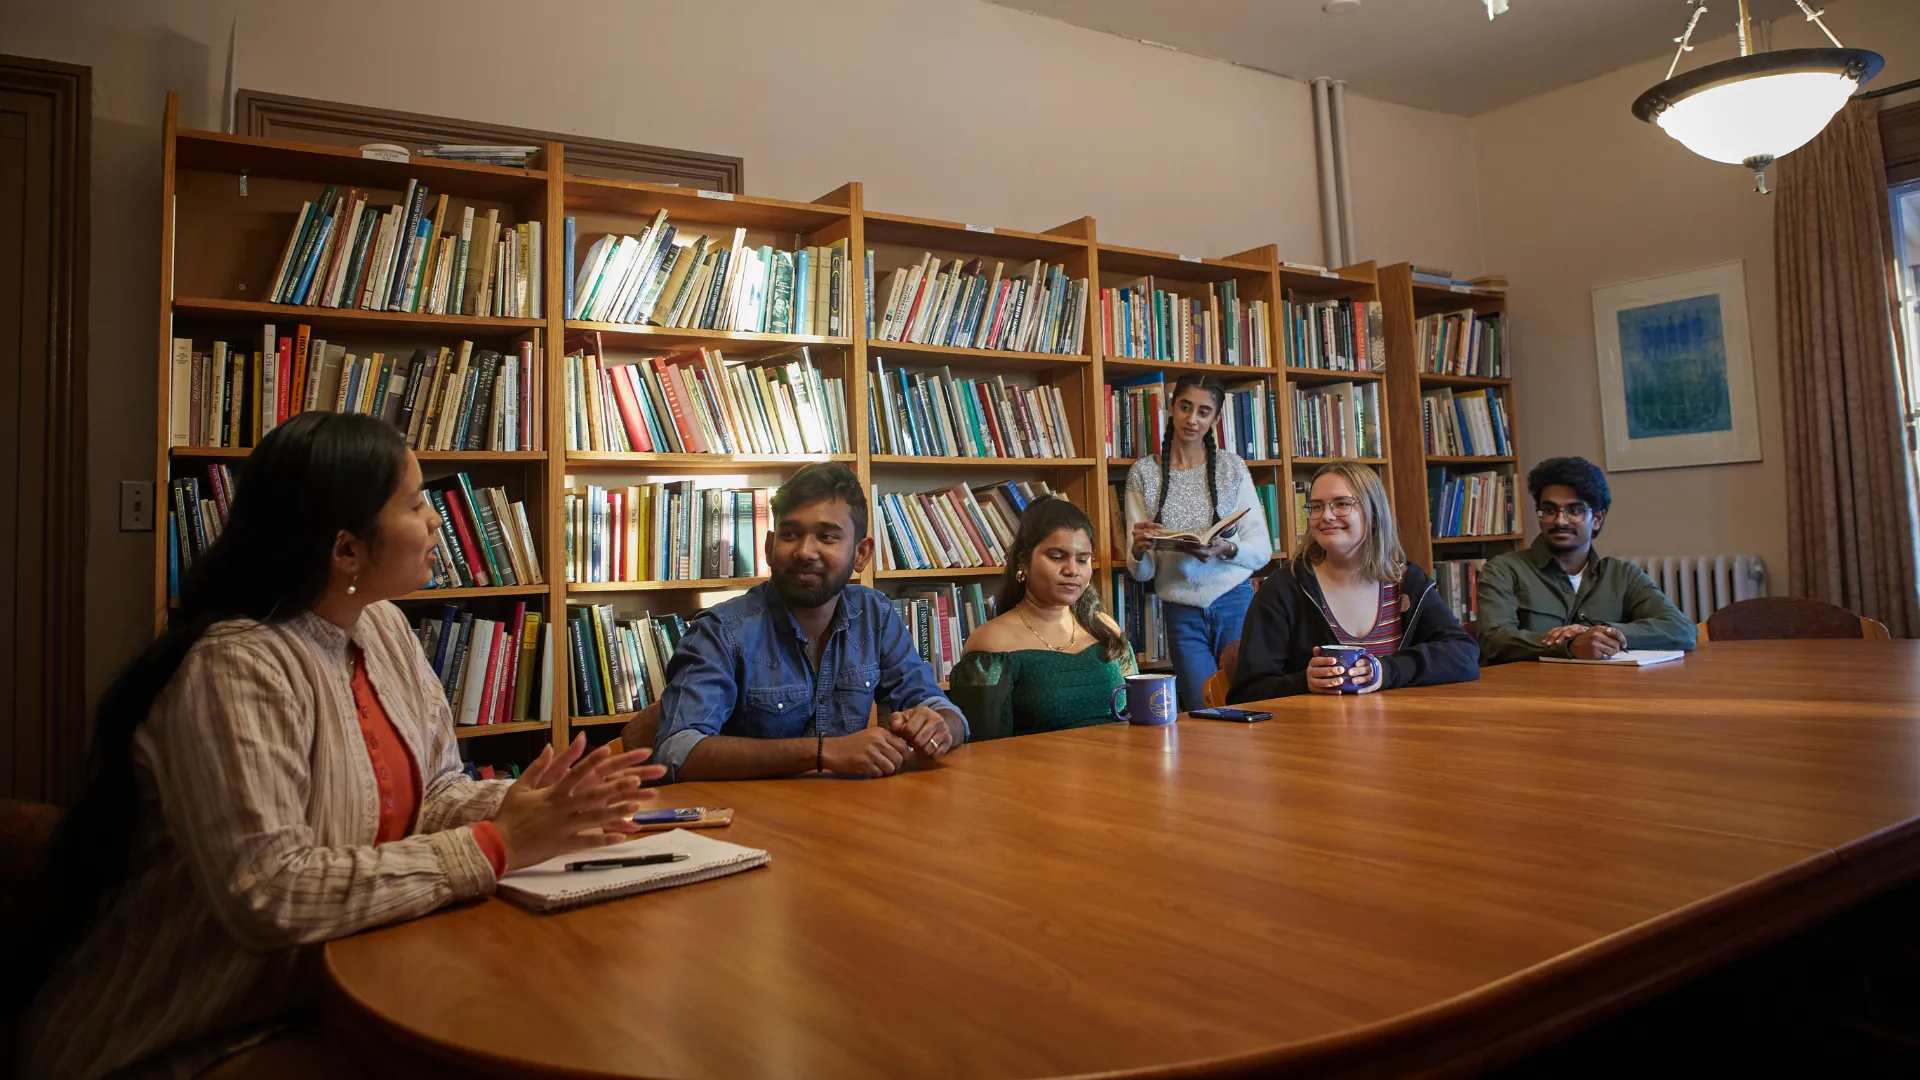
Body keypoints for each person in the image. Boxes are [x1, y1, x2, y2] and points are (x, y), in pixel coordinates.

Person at [14, 413, 661, 1080]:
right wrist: (496, 845)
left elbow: (434, 793)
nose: (438, 520)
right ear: (346, 550)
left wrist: (542, 808)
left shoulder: (381, 627)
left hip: (324, 993)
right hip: (185, 1030)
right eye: (415, 503)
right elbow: (268, 892)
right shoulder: (235, 667)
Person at [652, 463, 967, 781]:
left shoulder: (876, 615)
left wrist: (939, 726)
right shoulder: (721, 631)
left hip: (848, 812)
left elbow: (936, 705)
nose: (805, 552)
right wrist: (821, 752)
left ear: (861, 553)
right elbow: (676, 752)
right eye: (790, 535)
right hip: (750, 818)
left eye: (827, 537)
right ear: (769, 547)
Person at [1229, 461, 1480, 700]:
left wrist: (1385, 671)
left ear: (1372, 512)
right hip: (1311, 738)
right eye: (1316, 506)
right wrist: (1303, 682)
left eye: (1341, 504)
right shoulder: (1283, 588)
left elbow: (1464, 655)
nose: (1326, 516)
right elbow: (1246, 692)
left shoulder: (1406, 582)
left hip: (1402, 732)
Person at [1123, 374, 1273, 711]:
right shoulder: (1143, 473)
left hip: (1234, 602)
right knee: (1201, 709)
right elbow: (1142, 573)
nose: (1192, 419)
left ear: (1215, 420)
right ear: (1172, 408)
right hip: (1180, 611)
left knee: (1249, 702)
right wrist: (1137, 550)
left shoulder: (1232, 468)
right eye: (1185, 407)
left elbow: (1261, 550)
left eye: (1204, 412)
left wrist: (1226, 548)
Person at [948, 497, 1136, 740]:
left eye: (1082, 559)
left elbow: (1141, 714)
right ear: (1023, 563)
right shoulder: (991, 643)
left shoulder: (1104, 628)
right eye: (1057, 556)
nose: (1072, 570)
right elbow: (983, 751)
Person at [1475, 456, 1696, 663]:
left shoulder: (1623, 575)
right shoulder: (1503, 570)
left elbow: (1682, 630)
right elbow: (1494, 640)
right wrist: (1569, 647)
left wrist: (1603, 634)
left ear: (1597, 519)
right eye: (1549, 510)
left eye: (1575, 510)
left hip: (1606, 692)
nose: (1560, 520)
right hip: (1529, 693)